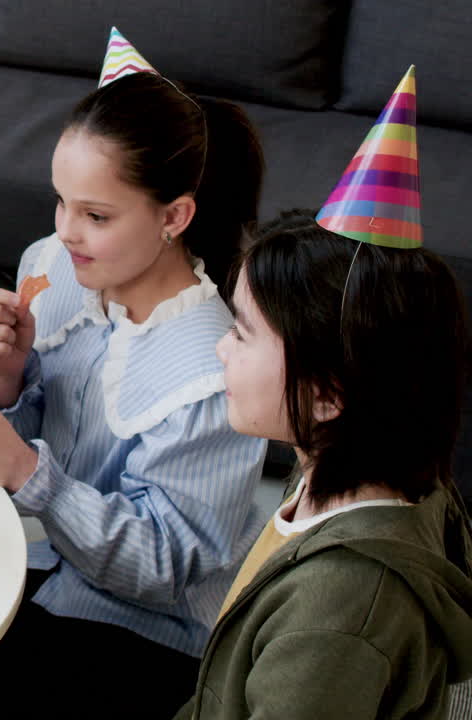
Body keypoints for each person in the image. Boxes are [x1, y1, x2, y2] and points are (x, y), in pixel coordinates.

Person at [0, 29, 268, 717]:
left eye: (96, 215)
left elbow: (164, 568)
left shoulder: (213, 370)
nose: (66, 231)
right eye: (61, 201)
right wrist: (8, 375)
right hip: (39, 566)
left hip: (147, 627)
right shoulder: (50, 268)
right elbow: (15, 433)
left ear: (174, 216)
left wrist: (31, 473)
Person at [177, 68, 472, 720]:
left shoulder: (337, 618)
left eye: (244, 333)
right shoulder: (349, 463)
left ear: (329, 394)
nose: (222, 347)